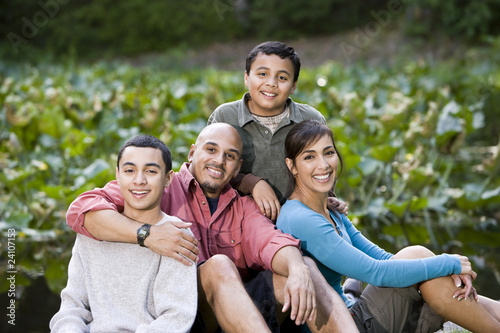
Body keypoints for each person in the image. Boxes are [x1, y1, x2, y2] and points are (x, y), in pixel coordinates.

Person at [64, 123, 359, 333]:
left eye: (229, 156)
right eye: (211, 150)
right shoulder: (157, 184)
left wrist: (296, 269)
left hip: (237, 311)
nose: (219, 160)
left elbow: (273, 242)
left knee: (303, 265)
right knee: (218, 266)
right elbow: (81, 210)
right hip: (181, 312)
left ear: (237, 166)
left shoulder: (244, 207)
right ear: (193, 152)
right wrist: (148, 235)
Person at [277, 119, 500, 333]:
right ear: (292, 166)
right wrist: (448, 262)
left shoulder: (329, 210)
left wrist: (443, 267)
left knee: (419, 263)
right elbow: (376, 272)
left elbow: (384, 259)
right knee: (419, 257)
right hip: (346, 325)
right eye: (309, 157)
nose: (323, 165)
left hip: (356, 313)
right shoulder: (300, 218)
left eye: (328, 152)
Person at [50, 135, 197, 332]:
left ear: (168, 178)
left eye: (151, 171)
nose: (139, 180)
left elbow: (175, 318)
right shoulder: (93, 230)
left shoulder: (176, 235)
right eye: (130, 170)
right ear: (118, 175)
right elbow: (72, 308)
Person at [208, 41, 347, 221]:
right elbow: (207, 170)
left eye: (282, 78)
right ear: (246, 77)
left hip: (298, 222)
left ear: (294, 85)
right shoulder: (225, 116)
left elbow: (322, 166)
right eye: (262, 74)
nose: (271, 83)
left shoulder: (311, 119)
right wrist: (251, 183)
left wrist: (327, 199)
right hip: (238, 223)